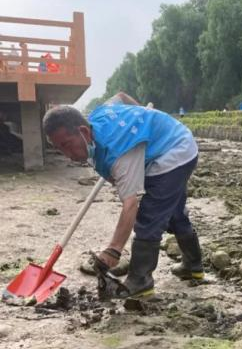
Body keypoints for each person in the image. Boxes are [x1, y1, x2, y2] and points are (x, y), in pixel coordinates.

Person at [42, 92, 205, 299]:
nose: (67, 155)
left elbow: (130, 204)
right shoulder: (100, 114)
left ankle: (140, 281)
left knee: (150, 217)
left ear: (83, 131)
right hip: (172, 140)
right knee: (173, 212)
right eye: (58, 149)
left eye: (66, 144)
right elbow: (121, 96)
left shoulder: (120, 154)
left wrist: (114, 250)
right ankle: (193, 266)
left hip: (175, 152)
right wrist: (143, 116)